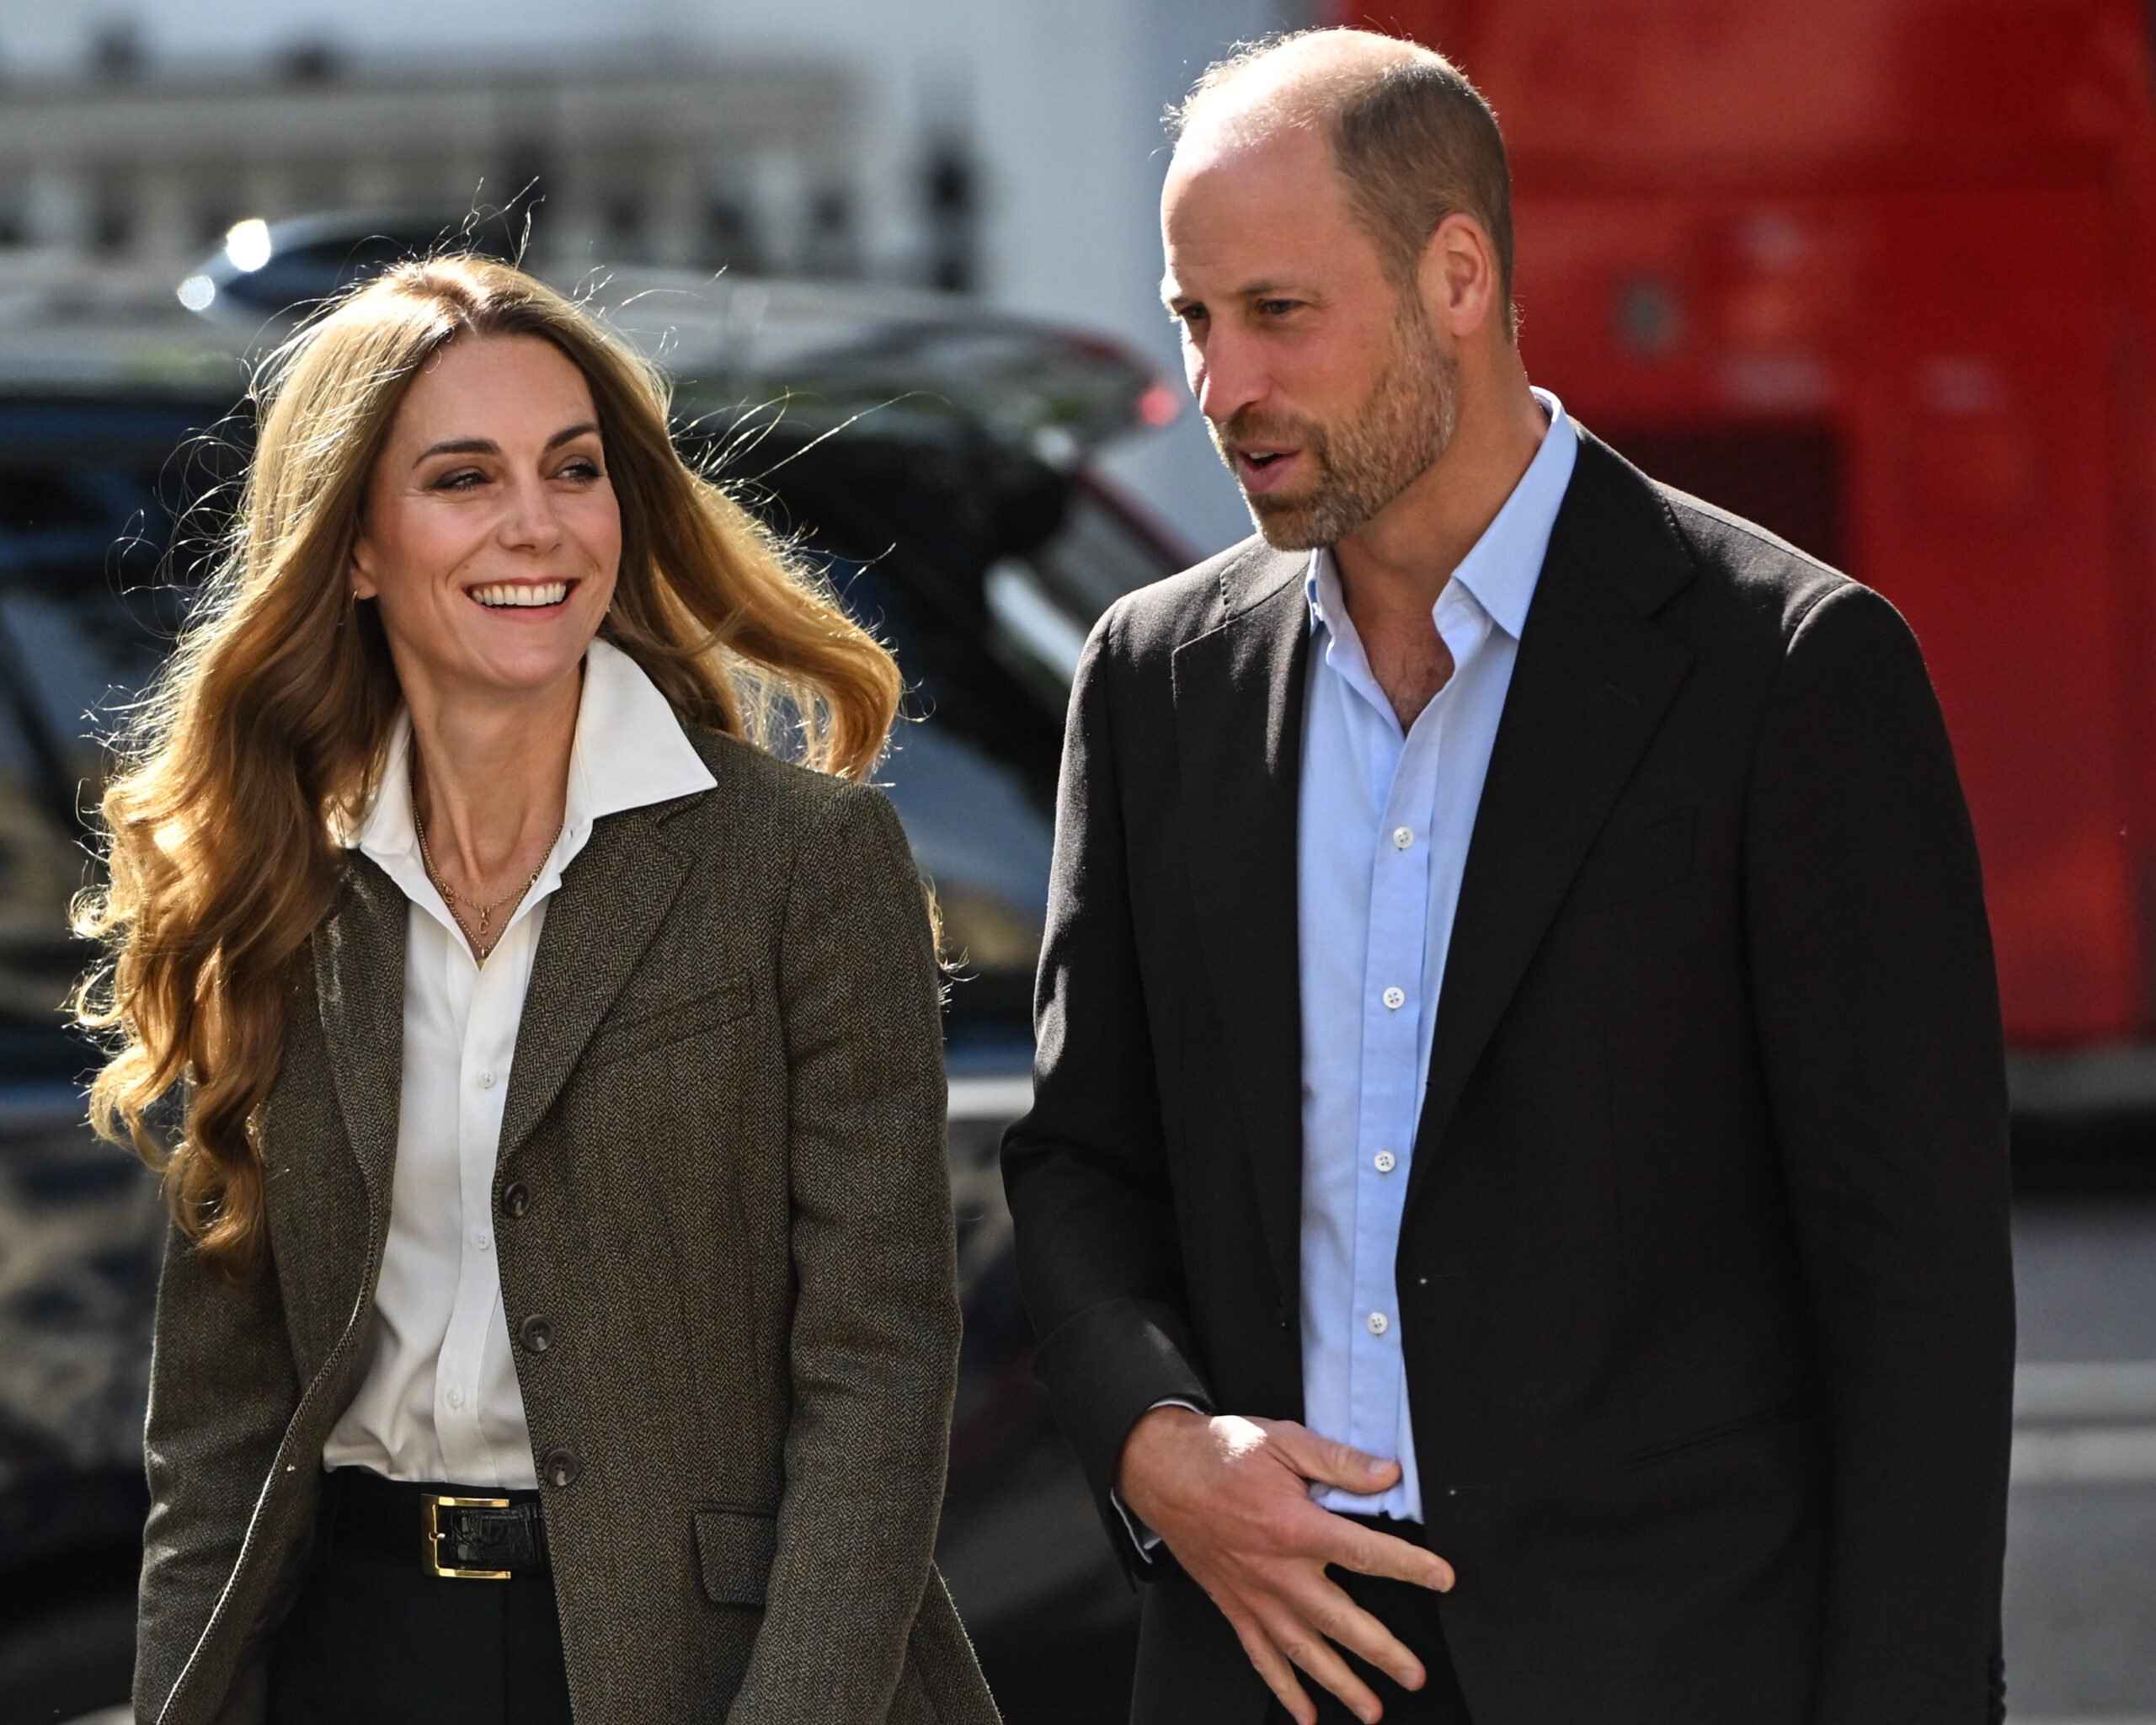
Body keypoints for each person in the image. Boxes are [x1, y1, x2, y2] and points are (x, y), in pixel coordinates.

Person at [1002, 29, 2015, 1725]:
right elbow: (1082, 1165)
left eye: (1273, 312)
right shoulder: (1152, 680)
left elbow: (1910, 1305)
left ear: (1454, 275)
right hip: (1266, 1670)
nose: (1217, 385)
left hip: (1672, 1672)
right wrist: (1157, 1448)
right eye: (1191, 320)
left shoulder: (1786, 672)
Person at [81, 255, 1000, 1725]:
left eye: (573, 470)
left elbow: (880, 1368)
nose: (536, 524)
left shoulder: (802, 859)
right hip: (353, 1654)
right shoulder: (276, 888)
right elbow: (219, 1424)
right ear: (358, 548)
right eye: (463, 477)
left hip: (701, 1665)